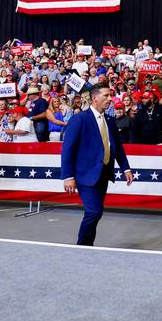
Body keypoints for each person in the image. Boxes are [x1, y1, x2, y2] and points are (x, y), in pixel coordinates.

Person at [61, 82, 134, 246]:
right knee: (95, 211)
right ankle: (81, 246)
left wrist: (126, 168)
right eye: (106, 96)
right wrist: (68, 176)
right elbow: (67, 150)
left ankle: (88, 246)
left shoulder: (110, 120)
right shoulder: (79, 119)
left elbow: (117, 147)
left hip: (104, 173)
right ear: (94, 98)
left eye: (111, 95)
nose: (110, 99)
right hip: (85, 175)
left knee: (95, 212)